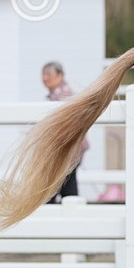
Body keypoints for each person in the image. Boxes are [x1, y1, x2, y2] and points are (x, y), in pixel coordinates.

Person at [42, 61, 89, 201]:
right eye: (43, 74)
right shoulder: (59, 93)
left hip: (66, 151)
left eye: (48, 74)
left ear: (60, 75)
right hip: (69, 151)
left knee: (51, 189)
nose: (44, 78)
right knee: (67, 187)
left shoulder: (62, 95)